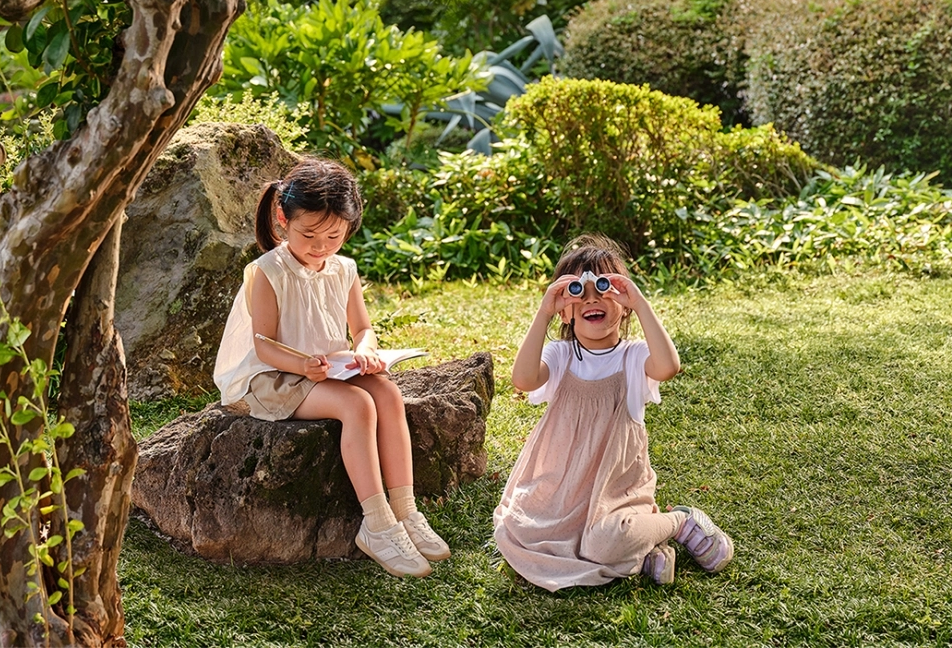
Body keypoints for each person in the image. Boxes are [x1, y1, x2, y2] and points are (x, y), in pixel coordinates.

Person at [213, 157, 448, 578]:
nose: (321, 246)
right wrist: (302, 364)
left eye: (334, 236)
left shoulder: (344, 269)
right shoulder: (267, 272)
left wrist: (367, 351)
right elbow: (264, 345)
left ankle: (405, 510)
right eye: (309, 235)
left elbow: (363, 328)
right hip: (273, 375)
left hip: (325, 368)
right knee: (357, 405)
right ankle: (377, 523)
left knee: (387, 393)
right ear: (283, 219)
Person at [493, 234, 734, 590]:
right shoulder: (561, 355)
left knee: (602, 542)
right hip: (561, 491)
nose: (592, 299)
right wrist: (544, 312)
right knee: (519, 526)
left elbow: (668, 366)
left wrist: (639, 302)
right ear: (565, 310)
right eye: (578, 291)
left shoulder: (633, 357)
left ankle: (679, 523)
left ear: (623, 305)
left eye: (604, 289)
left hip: (615, 493)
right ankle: (642, 552)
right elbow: (523, 379)